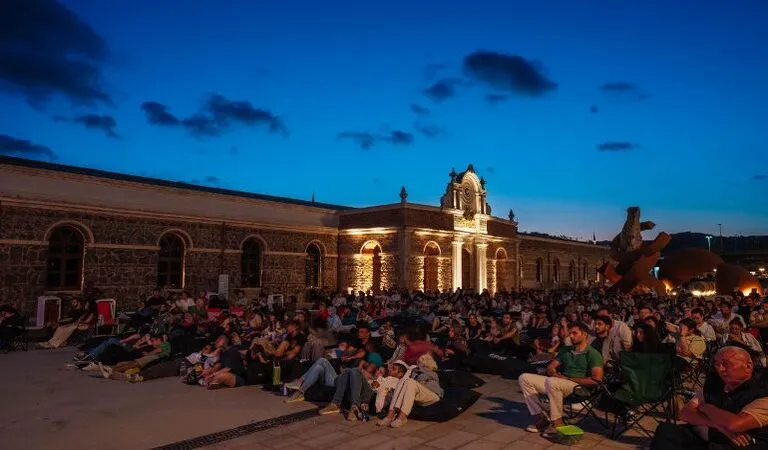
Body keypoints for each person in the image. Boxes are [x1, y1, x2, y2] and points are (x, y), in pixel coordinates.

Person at [651, 346, 768, 449]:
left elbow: (735, 424)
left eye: (726, 364)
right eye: (717, 364)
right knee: (666, 432)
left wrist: (705, 407)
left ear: (748, 366)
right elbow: (685, 413)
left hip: (739, 443)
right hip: (706, 436)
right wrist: (717, 425)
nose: (720, 369)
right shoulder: (715, 382)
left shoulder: (762, 389)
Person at [518, 322, 604, 437]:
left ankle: (557, 423)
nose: (571, 336)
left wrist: (568, 379)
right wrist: (553, 373)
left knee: (553, 382)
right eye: (570, 333)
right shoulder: (566, 350)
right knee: (524, 378)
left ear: (584, 334)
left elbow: (596, 380)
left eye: (575, 333)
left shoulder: (593, 353)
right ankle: (543, 417)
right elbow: (550, 367)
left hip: (578, 388)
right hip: (559, 383)